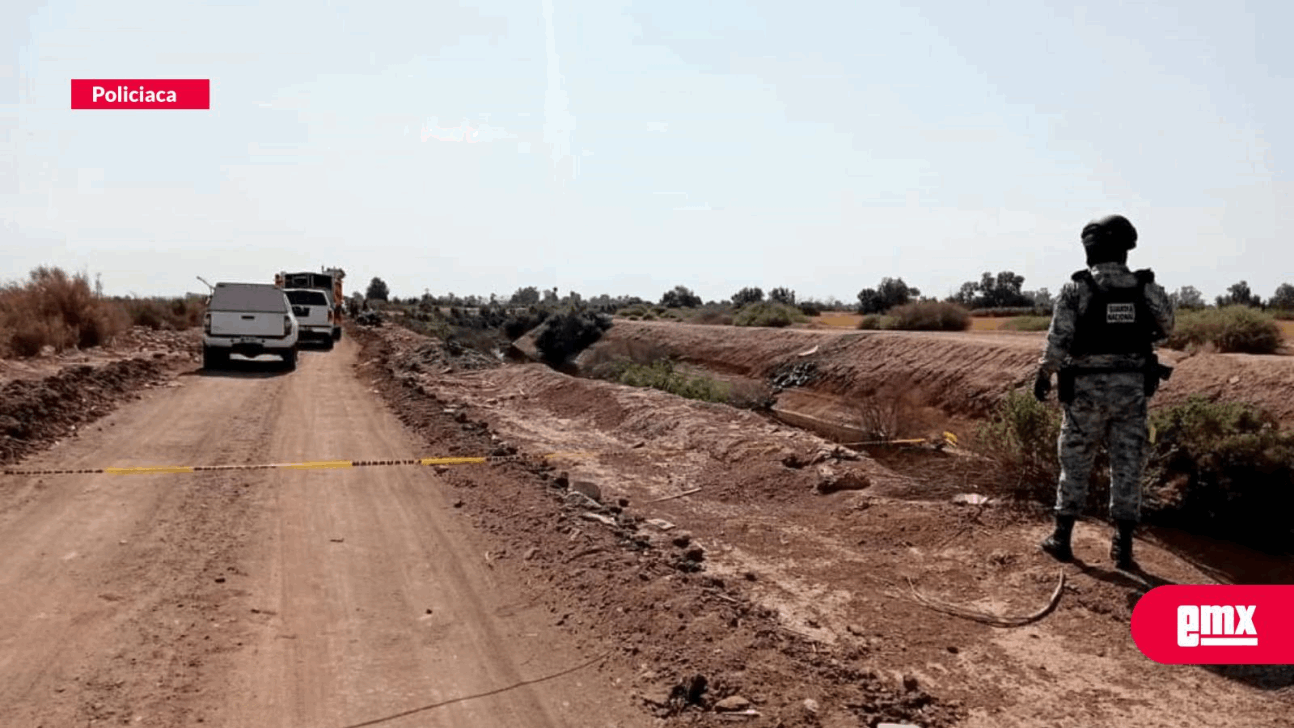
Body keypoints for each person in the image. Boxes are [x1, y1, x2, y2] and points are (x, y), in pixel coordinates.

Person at [1032, 214, 1174, 570]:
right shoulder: (1146, 288)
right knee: (1128, 465)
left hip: (1085, 392)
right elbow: (1167, 328)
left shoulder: (1075, 289)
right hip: (1131, 393)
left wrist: (1044, 373)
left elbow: (1058, 341)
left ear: (1090, 250)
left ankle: (1062, 538)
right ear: (1126, 248)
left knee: (1075, 460)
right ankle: (1122, 549)